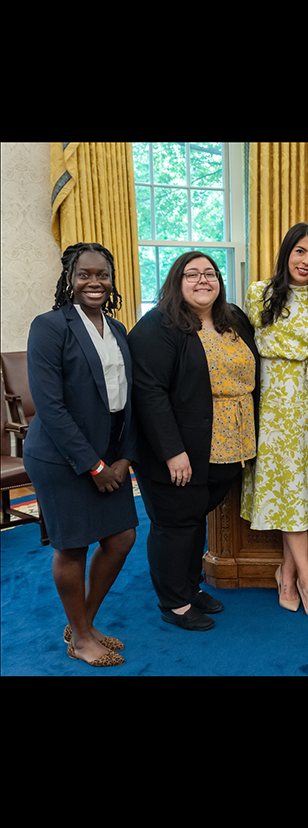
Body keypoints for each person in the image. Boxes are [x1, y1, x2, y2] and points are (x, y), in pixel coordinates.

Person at [128, 252, 258, 631]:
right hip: (179, 448)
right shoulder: (160, 325)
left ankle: (190, 586)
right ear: (176, 281)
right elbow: (148, 392)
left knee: (194, 516)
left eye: (210, 273)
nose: (203, 280)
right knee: (174, 522)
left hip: (229, 444)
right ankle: (174, 602)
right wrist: (172, 452)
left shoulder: (233, 318)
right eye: (192, 274)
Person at [23, 243, 138, 667]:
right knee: (72, 548)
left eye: (102, 275)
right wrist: (92, 465)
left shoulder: (119, 329)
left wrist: (125, 456)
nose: (95, 282)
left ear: (112, 280)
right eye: (85, 274)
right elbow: (49, 407)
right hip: (60, 457)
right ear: (69, 279)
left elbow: (129, 399)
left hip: (110, 456)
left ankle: (83, 623)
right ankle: (84, 638)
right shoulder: (50, 326)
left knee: (122, 537)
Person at [240, 223, 308, 622]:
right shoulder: (258, 294)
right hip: (272, 403)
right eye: (301, 252)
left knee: (299, 489)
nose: (307, 261)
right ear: (287, 253)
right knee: (285, 486)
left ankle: (287, 573)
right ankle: (306, 579)